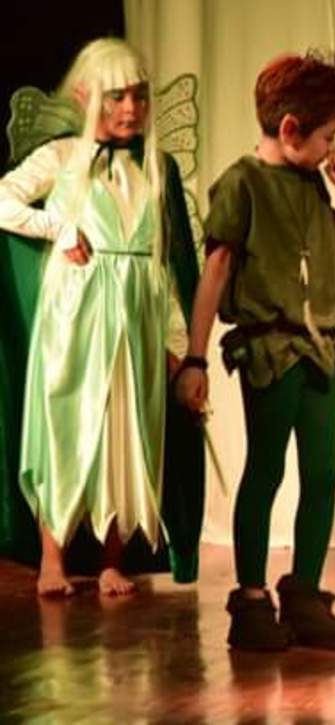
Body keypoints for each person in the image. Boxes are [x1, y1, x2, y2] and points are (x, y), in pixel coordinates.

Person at [176, 50, 335, 651]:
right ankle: (253, 600)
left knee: (323, 471)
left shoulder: (311, 181)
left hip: (319, 349)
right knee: (266, 468)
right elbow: (216, 270)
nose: (331, 148)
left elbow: (332, 262)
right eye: (327, 136)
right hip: (270, 349)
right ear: (290, 129)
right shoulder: (242, 183)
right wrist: (195, 358)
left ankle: (304, 595)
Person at [0, 37, 195, 597]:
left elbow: (164, 259)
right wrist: (57, 228)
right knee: (64, 425)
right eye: (116, 97)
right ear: (86, 96)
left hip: (137, 312)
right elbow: (4, 199)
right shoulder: (62, 158)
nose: (130, 108)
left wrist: (177, 338)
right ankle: (52, 558)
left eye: (138, 95)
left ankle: (113, 558)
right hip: (76, 314)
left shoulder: (155, 167)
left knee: (126, 432)